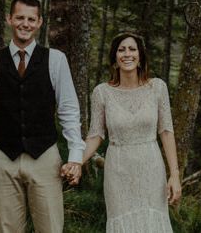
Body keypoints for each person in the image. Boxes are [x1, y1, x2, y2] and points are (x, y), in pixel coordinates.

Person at [0, 0, 84, 233]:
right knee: (7, 229)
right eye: (20, 17)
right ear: (9, 19)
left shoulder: (56, 60)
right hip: (3, 157)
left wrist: (75, 156)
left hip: (44, 157)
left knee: (51, 228)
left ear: (40, 22)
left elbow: (69, 110)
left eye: (31, 19)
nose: (25, 24)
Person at [78, 31, 182, 232]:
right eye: (121, 50)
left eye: (132, 49)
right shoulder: (102, 92)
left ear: (140, 56)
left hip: (151, 169)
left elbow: (166, 131)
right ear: (114, 58)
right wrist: (76, 162)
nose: (127, 54)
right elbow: (96, 135)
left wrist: (174, 175)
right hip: (118, 171)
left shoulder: (157, 88)